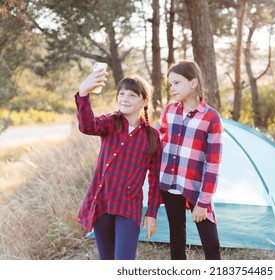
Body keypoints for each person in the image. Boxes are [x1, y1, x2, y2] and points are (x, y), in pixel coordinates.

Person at [75, 67, 162, 260]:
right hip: (103, 202)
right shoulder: (110, 122)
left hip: (129, 206)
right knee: (106, 260)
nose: (125, 98)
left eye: (132, 95)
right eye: (121, 94)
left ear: (144, 101)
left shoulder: (152, 137)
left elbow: (155, 180)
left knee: (124, 261)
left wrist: (152, 213)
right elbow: (87, 126)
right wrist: (83, 93)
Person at [156, 60, 223, 260]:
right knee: (176, 239)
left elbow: (213, 164)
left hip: (196, 188)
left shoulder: (211, 118)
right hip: (170, 187)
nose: (172, 88)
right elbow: (156, 139)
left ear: (193, 83)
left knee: (211, 245)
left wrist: (203, 202)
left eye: (177, 83)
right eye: (170, 84)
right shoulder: (169, 111)